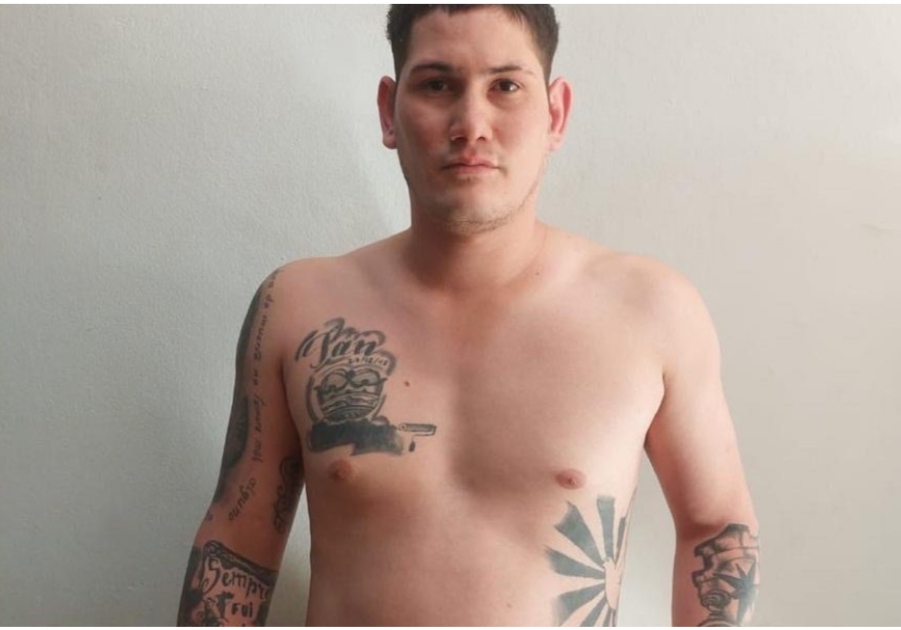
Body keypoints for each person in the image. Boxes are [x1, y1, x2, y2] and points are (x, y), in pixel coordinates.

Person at [176, 4, 759, 626]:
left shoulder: (650, 311)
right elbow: (239, 540)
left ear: (556, 113)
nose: (471, 124)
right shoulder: (298, 307)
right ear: (389, 111)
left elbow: (714, 524)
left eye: (505, 86)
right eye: (437, 85)